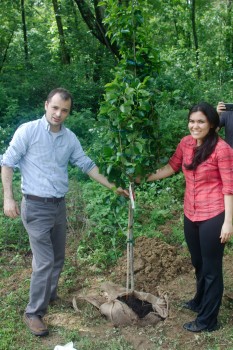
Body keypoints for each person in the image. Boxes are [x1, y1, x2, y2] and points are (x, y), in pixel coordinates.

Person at [1, 88, 128, 337]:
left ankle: (50, 296)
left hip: (58, 206)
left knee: (58, 257)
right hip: (35, 206)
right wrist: (8, 198)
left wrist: (114, 187)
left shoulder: (69, 138)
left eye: (64, 110)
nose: (58, 114)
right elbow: (7, 162)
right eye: (55, 107)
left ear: (69, 112)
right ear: (46, 104)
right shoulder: (28, 131)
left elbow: (87, 164)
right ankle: (33, 312)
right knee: (45, 261)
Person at [136, 102, 233, 332]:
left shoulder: (222, 150)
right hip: (191, 213)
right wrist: (143, 178)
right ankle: (200, 300)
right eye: (192, 121)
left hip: (214, 215)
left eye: (201, 121)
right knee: (198, 263)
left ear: (211, 124)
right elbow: (172, 167)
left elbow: (229, 187)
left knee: (211, 269)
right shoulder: (186, 143)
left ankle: (208, 320)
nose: (195, 125)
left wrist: (228, 221)